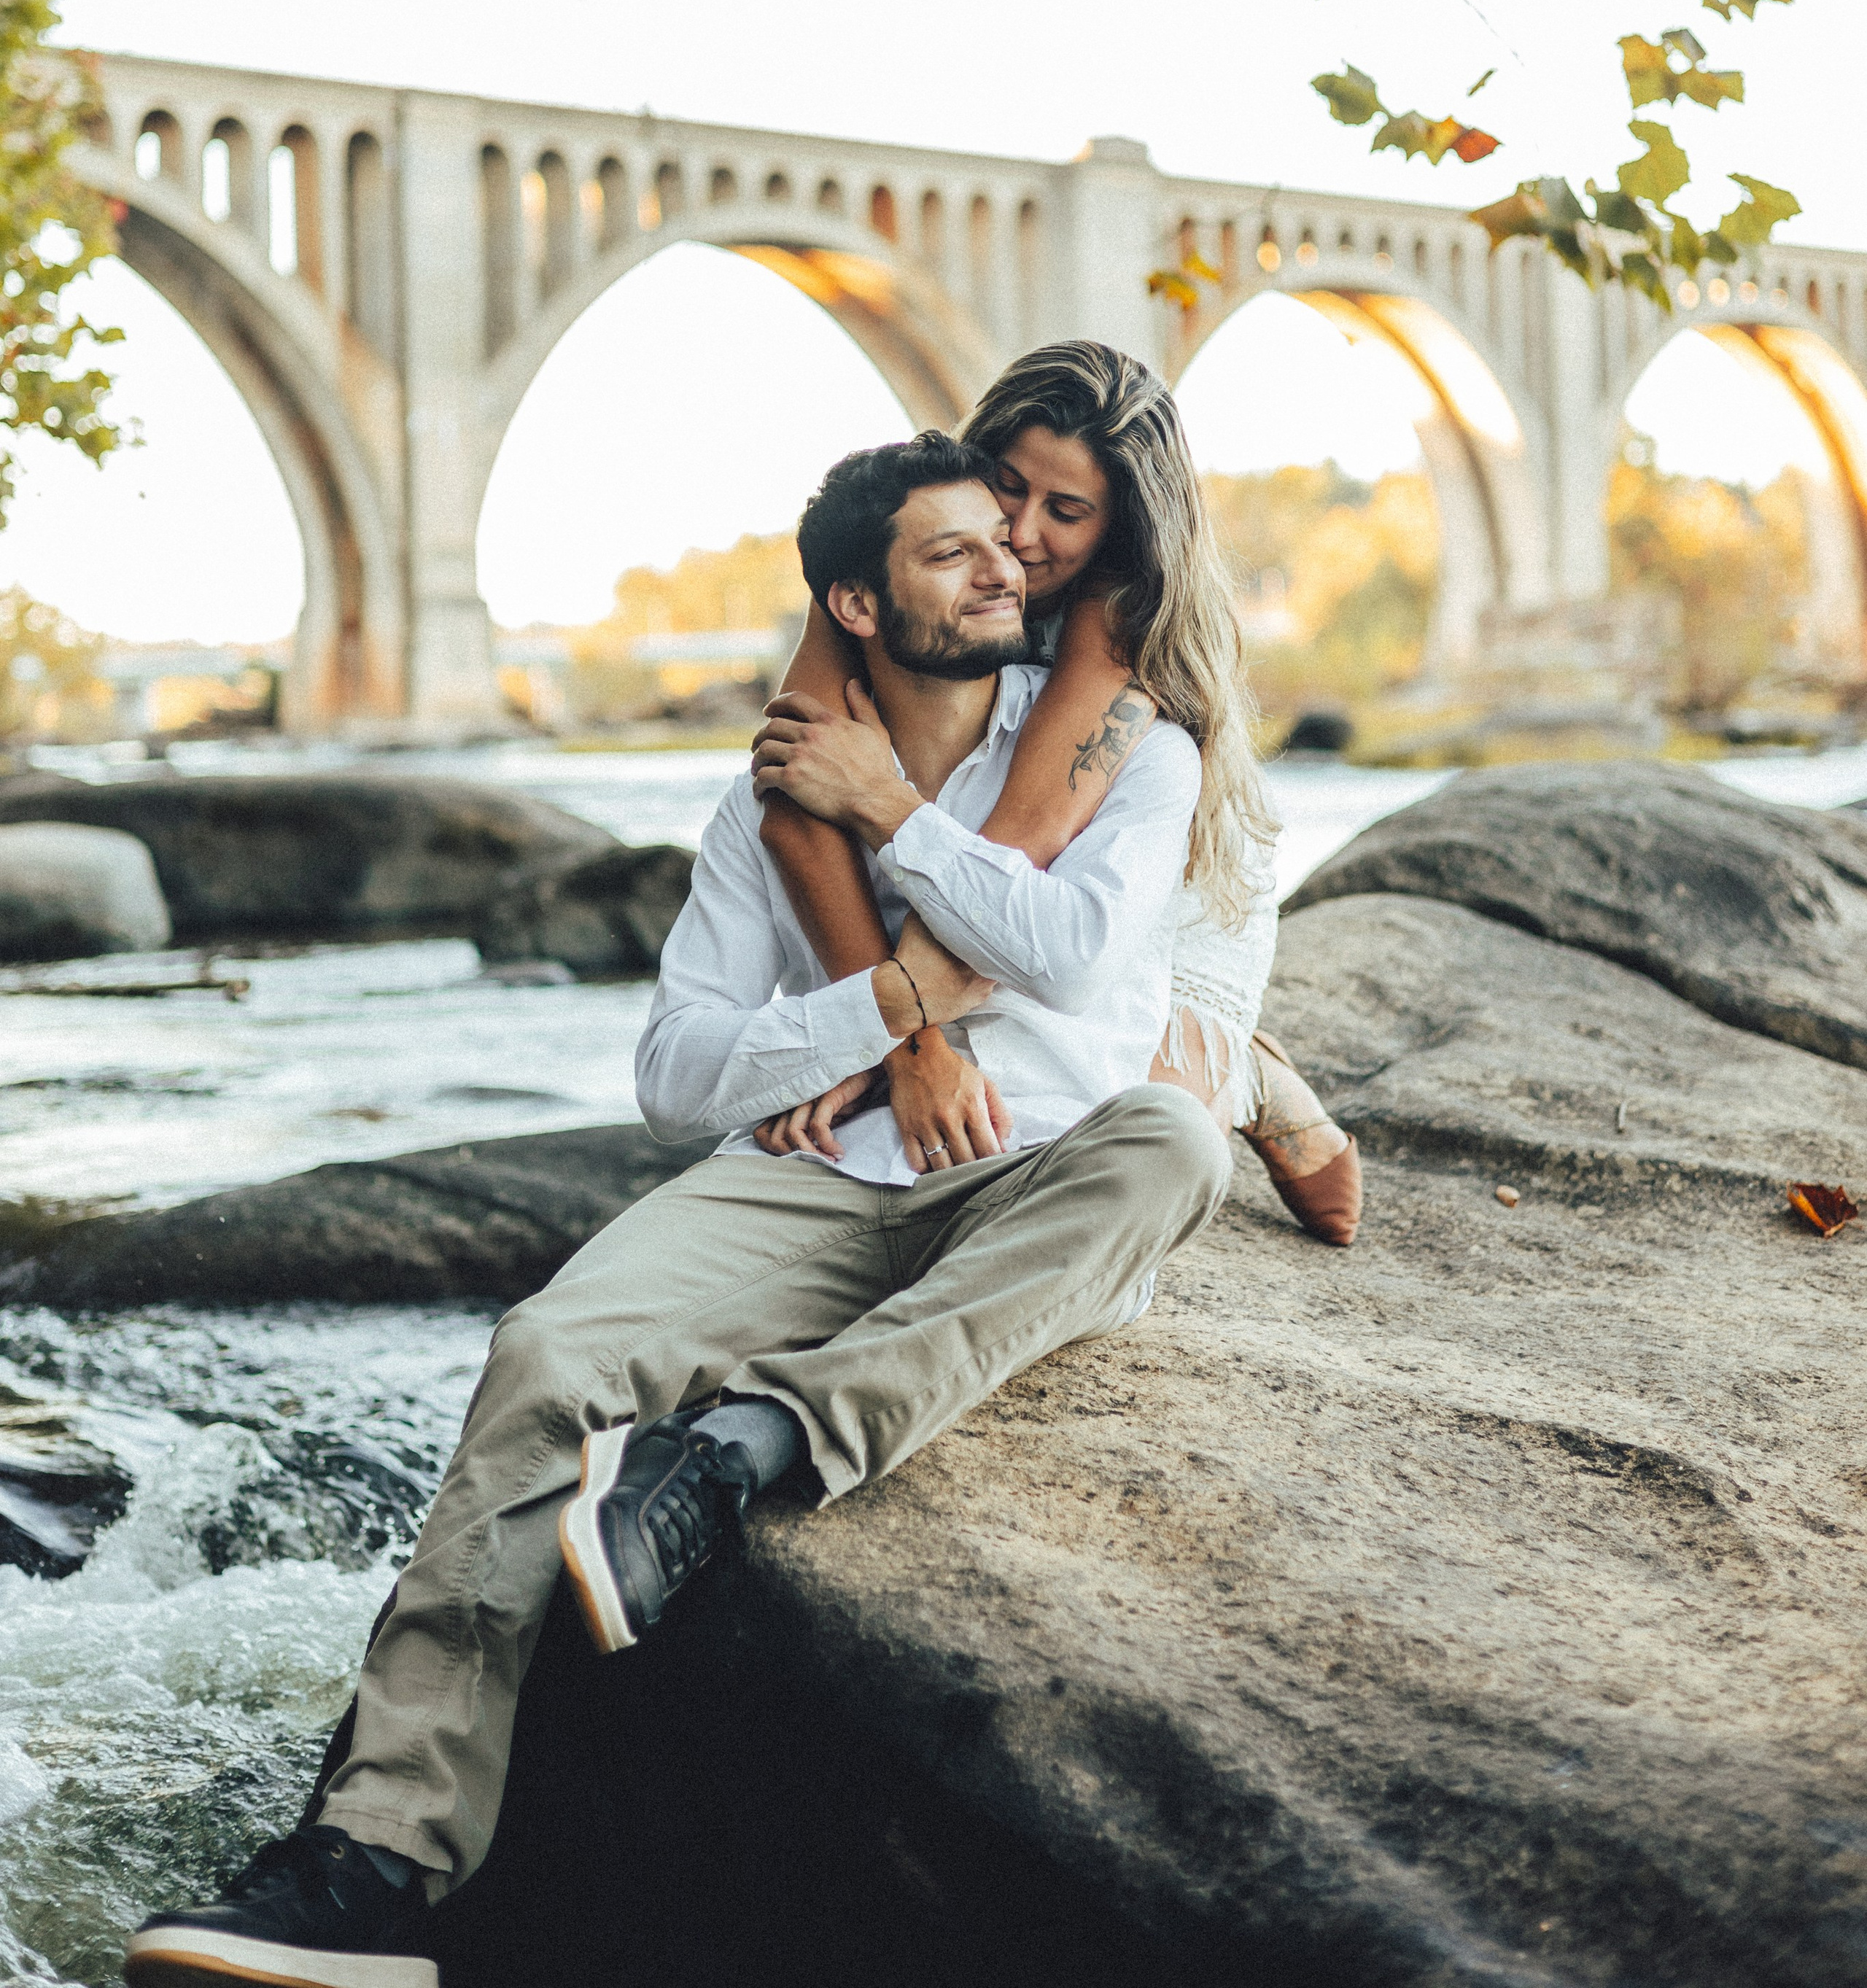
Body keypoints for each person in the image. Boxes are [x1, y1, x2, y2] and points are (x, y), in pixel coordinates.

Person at [122, 431, 1236, 1988]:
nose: (1005, 567)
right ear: (854, 602)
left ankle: (739, 1453)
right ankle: (372, 1862)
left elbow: (1058, 950)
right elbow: (677, 1074)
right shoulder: (766, 806)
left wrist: (893, 823)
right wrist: (882, 1010)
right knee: (545, 1348)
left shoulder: (1133, 755)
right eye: (951, 551)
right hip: (817, 1181)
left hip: (1041, 1172)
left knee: (1177, 1153)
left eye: (1009, 539)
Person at [754, 340, 1360, 1246]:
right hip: (964, 860)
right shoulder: (887, 554)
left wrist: (900, 1040)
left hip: (1140, 865)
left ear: (1117, 530)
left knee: (1117, 1141)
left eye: (1066, 511)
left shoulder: (1123, 606)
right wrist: (892, 1043)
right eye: (1007, 484)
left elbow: (1020, 840)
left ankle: (1249, 1072)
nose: (1024, 533)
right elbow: (797, 797)